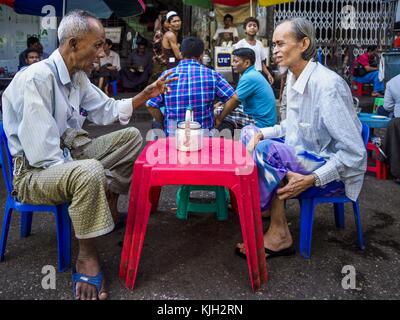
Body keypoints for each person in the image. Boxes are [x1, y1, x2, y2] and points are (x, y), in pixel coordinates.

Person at [1, 10, 176, 300]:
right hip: (34, 173)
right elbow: (44, 154)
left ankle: (105, 201)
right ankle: (86, 255)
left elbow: (107, 109)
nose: (101, 53)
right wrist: (91, 172)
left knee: (132, 137)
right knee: (90, 172)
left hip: (67, 153)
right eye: (97, 45)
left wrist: (144, 95)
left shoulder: (76, 76)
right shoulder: (37, 79)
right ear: (72, 44)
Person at [235, 18, 367, 260]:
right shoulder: (294, 78)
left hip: (329, 166)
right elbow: (292, 127)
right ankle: (265, 207)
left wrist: (312, 179)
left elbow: (355, 154)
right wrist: (263, 132)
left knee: (266, 152)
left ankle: (278, 233)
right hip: (303, 153)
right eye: (272, 45)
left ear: (303, 43)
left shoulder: (327, 86)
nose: (274, 50)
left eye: (280, 44)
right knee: (250, 133)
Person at [146, 37, 237, 136]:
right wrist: (219, 119)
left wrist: (165, 123)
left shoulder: (167, 75)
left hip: (174, 137)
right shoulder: (212, 75)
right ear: (201, 55)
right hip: (204, 138)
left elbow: (150, 105)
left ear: (181, 54)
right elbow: (234, 98)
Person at [215, 48, 277, 136]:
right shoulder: (253, 73)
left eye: (236, 61)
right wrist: (220, 103)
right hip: (265, 118)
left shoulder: (249, 77)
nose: (232, 64)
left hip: (261, 123)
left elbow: (234, 100)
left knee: (218, 111)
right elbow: (235, 95)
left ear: (247, 63)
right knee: (222, 107)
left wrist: (219, 119)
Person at [234, 17, 274, 85]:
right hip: (245, 74)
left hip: (258, 74)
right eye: (249, 25)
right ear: (245, 29)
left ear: (257, 29)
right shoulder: (240, 44)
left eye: (255, 26)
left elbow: (262, 62)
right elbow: (236, 61)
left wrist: (268, 74)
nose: (252, 27)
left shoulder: (259, 44)